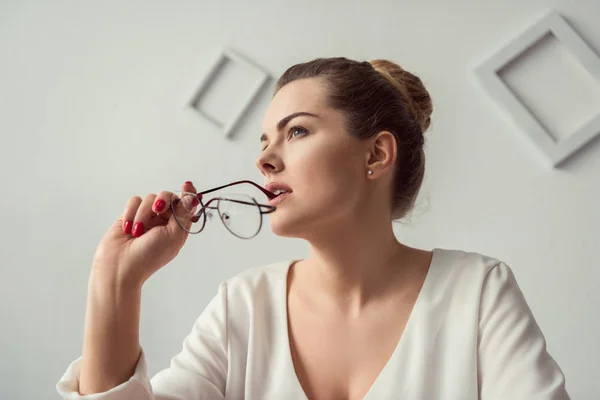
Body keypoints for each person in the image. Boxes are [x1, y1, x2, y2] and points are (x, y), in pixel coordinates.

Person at [56, 57, 570, 399]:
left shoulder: (478, 293)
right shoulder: (243, 305)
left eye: (296, 131)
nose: (264, 160)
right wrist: (115, 281)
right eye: (262, 142)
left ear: (375, 154)